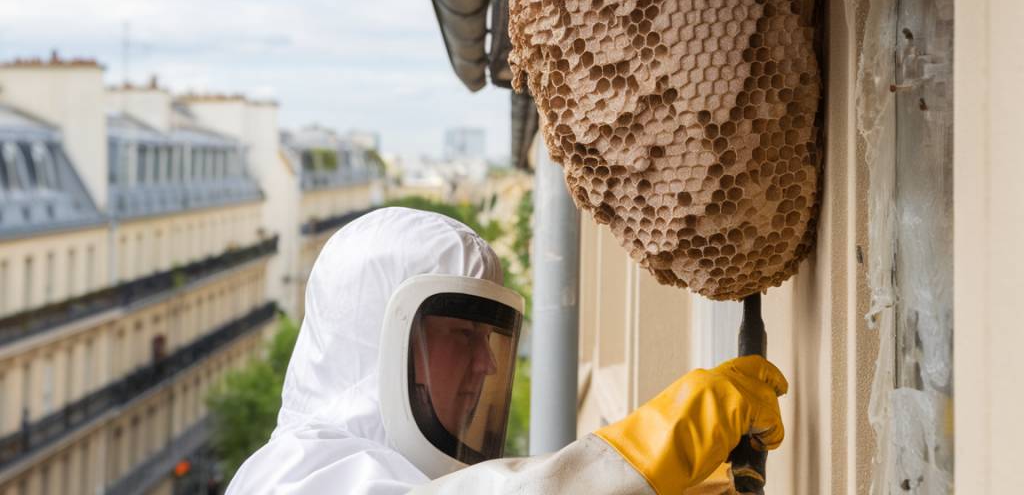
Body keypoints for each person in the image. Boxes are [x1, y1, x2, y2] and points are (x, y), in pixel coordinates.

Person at [227, 207, 787, 495]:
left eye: (490, 339)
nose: (489, 364)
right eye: (463, 336)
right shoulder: (292, 475)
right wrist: (649, 450)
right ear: (386, 338)